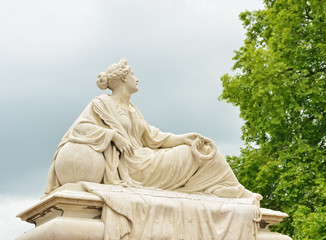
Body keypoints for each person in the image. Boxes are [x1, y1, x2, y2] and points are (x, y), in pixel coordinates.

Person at [45, 58, 262, 203]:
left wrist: (184, 138)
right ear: (123, 79)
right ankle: (233, 192)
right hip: (133, 166)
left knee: (202, 148)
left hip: (146, 157)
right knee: (194, 155)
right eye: (133, 75)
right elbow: (80, 128)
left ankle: (230, 190)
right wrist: (113, 136)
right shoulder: (101, 103)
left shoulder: (132, 108)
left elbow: (154, 137)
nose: (137, 78)